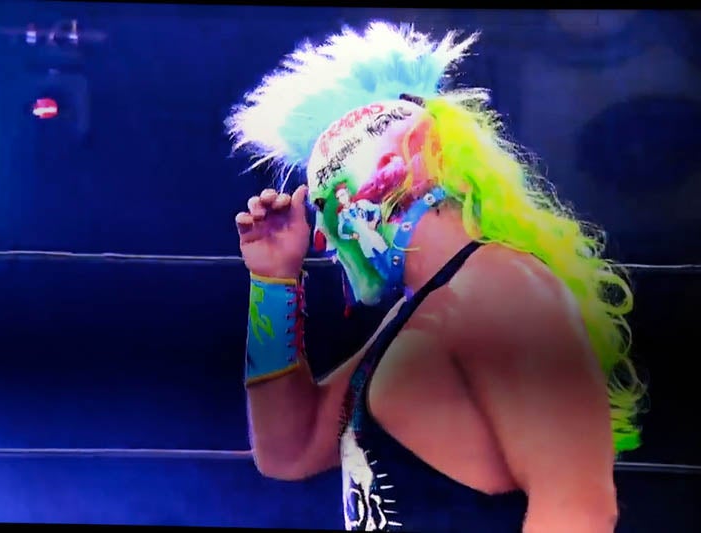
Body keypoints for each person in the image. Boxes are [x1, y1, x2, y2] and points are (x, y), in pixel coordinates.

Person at [227, 22, 645, 532]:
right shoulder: (427, 310)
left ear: (377, 189)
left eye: (326, 205)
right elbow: (287, 452)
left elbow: (578, 510)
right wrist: (272, 280)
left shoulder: (500, 291)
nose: (322, 237)